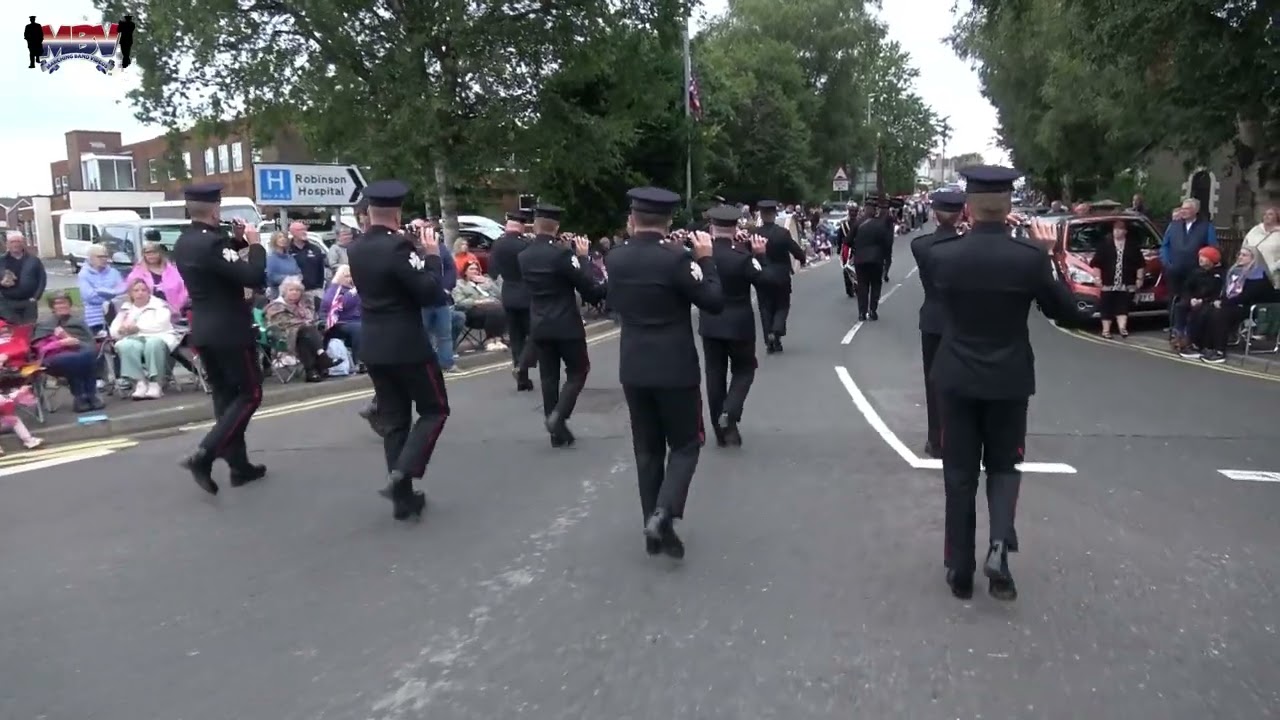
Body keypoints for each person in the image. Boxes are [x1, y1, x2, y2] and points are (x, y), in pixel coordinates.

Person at [928, 165, 1077, 602]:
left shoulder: (942, 256)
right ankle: (1000, 551)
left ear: (968, 209)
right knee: (1004, 468)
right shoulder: (1029, 260)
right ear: (1009, 206)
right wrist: (1050, 256)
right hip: (1009, 380)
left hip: (956, 376)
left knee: (958, 475)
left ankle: (959, 568)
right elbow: (1068, 313)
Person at [605, 186, 723, 558]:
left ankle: (654, 527)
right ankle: (662, 513)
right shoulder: (676, 260)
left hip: (634, 366)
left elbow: (612, 303)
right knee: (687, 445)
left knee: (647, 450)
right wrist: (705, 260)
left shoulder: (615, 259)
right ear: (669, 220)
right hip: (675, 367)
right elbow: (713, 301)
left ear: (632, 219)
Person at [346, 180, 449, 521]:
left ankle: (403, 500)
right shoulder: (399, 248)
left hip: (373, 344)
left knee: (395, 421)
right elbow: (430, 292)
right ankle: (402, 473)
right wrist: (432, 257)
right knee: (435, 409)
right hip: (406, 344)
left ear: (369, 211)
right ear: (398, 211)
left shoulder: (356, 247)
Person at [171, 183, 268, 495]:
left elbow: (218, 269)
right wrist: (255, 245)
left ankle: (239, 466)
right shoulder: (213, 244)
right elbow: (253, 276)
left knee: (225, 398)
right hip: (230, 329)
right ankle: (204, 453)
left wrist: (235, 242)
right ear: (216, 210)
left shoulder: (185, 242)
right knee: (250, 394)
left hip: (204, 328)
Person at [517, 205, 606, 447]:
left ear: (535, 225)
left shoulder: (523, 256)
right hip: (566, 322)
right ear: (556, 227)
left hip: (539, 323)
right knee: (578, 371)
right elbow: (589, 287)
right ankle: (558, 416)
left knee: (548, 377)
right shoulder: (562, 255)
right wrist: (583, 258)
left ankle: (555, 432)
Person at [699, 206, 769, 447]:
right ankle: (730, 411)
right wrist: (759, 255)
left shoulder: (700, 257)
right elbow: (764, 281)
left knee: (714, 374)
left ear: (712, 228)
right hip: (739, 323)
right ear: (734, 228)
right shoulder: (742, 257)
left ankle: (720, 431)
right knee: (744, 370)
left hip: (710, 322)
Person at [910, 190, 965, 459]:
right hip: (961, 320)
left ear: (934, 214)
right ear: (960, 215)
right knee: (962, 381)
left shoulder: (920, 245)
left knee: (933, 383)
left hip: (932, 318)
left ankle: (936, 439)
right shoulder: (966, 245)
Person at [487, 210, 538, 391]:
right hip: (526, 294)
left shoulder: (497, 244)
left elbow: (492, 271)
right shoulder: (525, 244)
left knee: (516, 338)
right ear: (522, 225)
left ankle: (522, 379)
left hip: (508, 294)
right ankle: (521, 367)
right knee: (534, 335)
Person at [110, 278, 181, 400]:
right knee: (125, 345)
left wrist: (137, 328)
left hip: (160, 336)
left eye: (143, 290)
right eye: (136, 290)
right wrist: (120, 331)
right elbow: (114, 330)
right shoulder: (126, 309)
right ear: (131, 293)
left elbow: (161, 324)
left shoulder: (159, 305)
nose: (140, 293)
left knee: (152, 344)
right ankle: (140, 382)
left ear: (149, 292)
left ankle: (156, 383)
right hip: (135, 338)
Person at [34, 292, 103, 412]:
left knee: (83, 357)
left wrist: (76, 342)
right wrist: (60, 343)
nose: (62, 306)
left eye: (64, 302)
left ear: (70, 304)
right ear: (52, 307)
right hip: (54, 358)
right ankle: (88, 394)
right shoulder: (44, 324)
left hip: (82, 354)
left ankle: (83, 397)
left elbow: (90, 344)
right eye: (58, 303)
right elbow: (38, 347)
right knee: (77, 359)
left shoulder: (79, 322)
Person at [263, 276, 339, 382]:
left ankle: (311, 371)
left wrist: (305, 323)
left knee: (306, 335)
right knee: (307, 330)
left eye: (298, 290)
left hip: (304, 337)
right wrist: (304, 323)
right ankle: (321, 358)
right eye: (291, 290)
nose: (295, 292)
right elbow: (282, 323)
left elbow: (312, 318)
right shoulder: (275, 306)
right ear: (284, 291)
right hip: (284, 337)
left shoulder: (303, 305)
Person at [753, 200, 805, 353]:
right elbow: (795, 249)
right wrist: (802, 258)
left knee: (765, 307)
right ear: (775, 215)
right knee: (782, 305)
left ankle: (769, 337)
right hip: (781, 275)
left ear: (761, 215)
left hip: (761, 274)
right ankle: (776, 331)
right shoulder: (782, 233)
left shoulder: (755, 234)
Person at [1089, 218, 1146, 339]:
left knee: (1123, 305)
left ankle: (1122, 328)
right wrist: (1097, 278)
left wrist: (1139, 279)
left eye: (1120, 230)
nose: (1117, 232)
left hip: (1126, 282)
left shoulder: (1132, 246)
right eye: (1115, 230)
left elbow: (1140, 264)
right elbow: (1097, 264)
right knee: (1106, 306)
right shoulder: (1105, 245)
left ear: (1125, 232)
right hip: (1108, 281)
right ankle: (1106, 330)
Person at [851, 196, 894, 321]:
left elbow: (847, 240)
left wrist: (855, 248)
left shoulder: (857, 223)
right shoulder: (880, 225)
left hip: (860, 259)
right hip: (876, 260)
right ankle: (873, 311)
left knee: (862, 286)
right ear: (875, 210)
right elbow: (887, 243)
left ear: (864, 209)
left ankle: (861, 313)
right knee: (876, 284)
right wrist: (886, 258)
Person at [452, 261, 509, 352]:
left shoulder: (485, 281)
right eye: (471, 269)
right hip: (472, 311)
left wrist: (488, 284)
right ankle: (491, 340)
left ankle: (497, 340)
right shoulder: (460, 284)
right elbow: (459, 302)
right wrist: (476, 302)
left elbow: (499, 295)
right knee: (494, 310)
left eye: (476, 269)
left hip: (493, 307)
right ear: (465, 272)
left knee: (499, 308)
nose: (475, 271)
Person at [126, 236, 189, 317]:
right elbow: (131, 293)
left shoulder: (172, 270)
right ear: (144, 255)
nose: (151, 255)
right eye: (148, 253)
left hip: (172, 312)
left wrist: (178, 305)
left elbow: (182, 289)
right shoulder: (137, 272)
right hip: (146, 313)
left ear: (160, 253)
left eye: (154, 252)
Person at [76, 244, 126, 332]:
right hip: (93, 318)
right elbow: (89, 297)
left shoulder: (114, 272)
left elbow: (122, 293)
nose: (104, 259)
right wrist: (112, 294)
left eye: (105, 256)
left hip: (115, 314)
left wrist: (99, 292)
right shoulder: (84, 274)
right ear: (90, 258)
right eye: (99, 256)